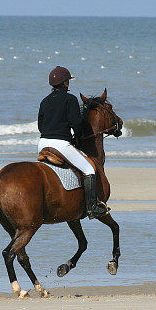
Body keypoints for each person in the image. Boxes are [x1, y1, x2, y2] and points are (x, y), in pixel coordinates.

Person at [38, 66, 108, 218]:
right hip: (60, 145)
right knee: (89, 169)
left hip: (43, 144)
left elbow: (40, 126)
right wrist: (77, 136)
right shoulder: (70, 99)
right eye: (67, 81)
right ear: (65, 83)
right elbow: (76, 123)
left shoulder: (44, 101)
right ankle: (91, 208)